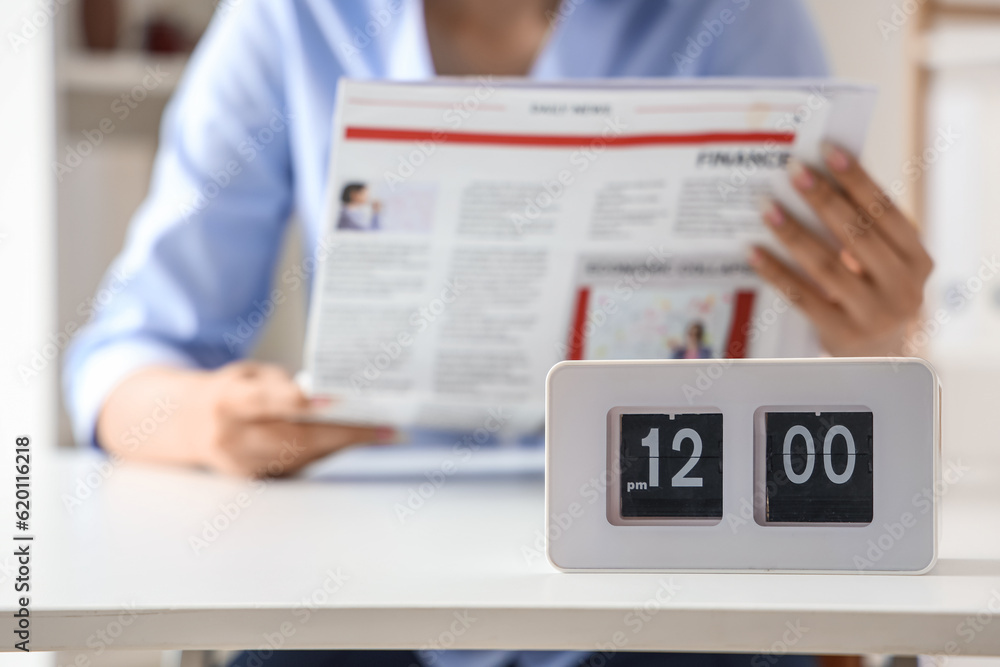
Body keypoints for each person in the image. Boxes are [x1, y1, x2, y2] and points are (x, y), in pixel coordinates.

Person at [63, 1, 934, 665]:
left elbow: (818, 396)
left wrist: (877, 341)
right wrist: (205, 417)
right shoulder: (292, 18)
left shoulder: (734, 18)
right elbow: (124, 362)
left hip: (673, 555)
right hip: (360, 582)